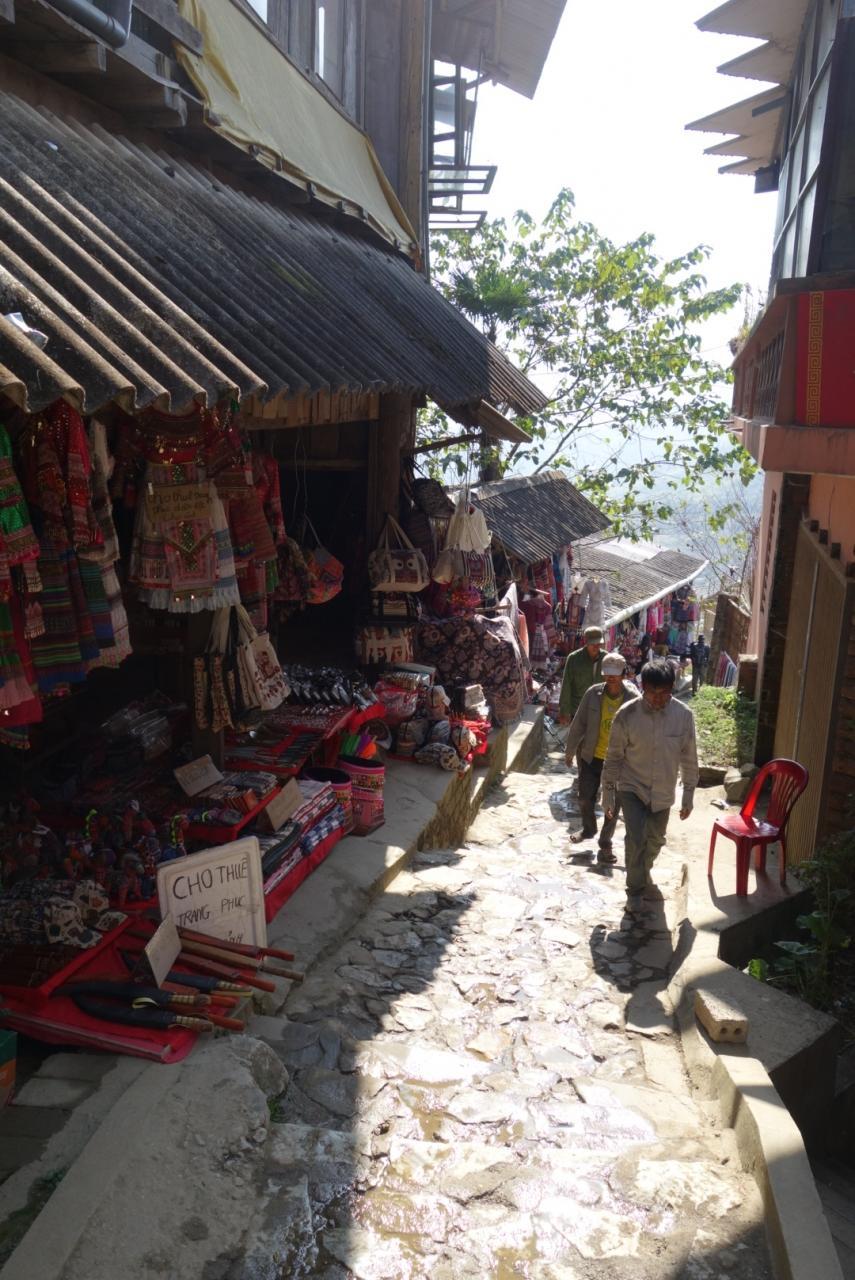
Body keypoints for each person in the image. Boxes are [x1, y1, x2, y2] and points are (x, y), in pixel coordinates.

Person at [602, 660, 699, 913]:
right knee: (636, 839)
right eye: (652, 692)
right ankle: (634, 891)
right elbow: (613, 758)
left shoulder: (683, 716)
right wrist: (608, 795)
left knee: (655, 840)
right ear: (643, 687)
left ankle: (642, 873)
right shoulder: (626, 715)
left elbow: (689, 758)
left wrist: (688, 794)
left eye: (664, 693)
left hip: (663, 790)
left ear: (672, 688)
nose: (658, 699)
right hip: (632, 787)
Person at [564, 652, 640, 862]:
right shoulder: (593, 693)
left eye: (615, 673)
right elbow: (579, 723)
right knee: (584, 798)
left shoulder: (634, 698)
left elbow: (641, 729)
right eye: (607, 673)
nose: (611, 677)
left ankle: (605, 843)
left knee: (612, 805)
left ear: (624, 673)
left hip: (619, 761)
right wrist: (570, 750)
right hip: (592, 755)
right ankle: (589, 829)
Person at [558, 626, 604, 723]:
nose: (596, 646)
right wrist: (564, 711)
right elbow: (566, 685)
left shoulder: (606, 659)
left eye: (598, 643)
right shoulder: (573, 659)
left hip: (599, 710)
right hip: (577, 709)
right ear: (585, 642)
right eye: (592, 643)